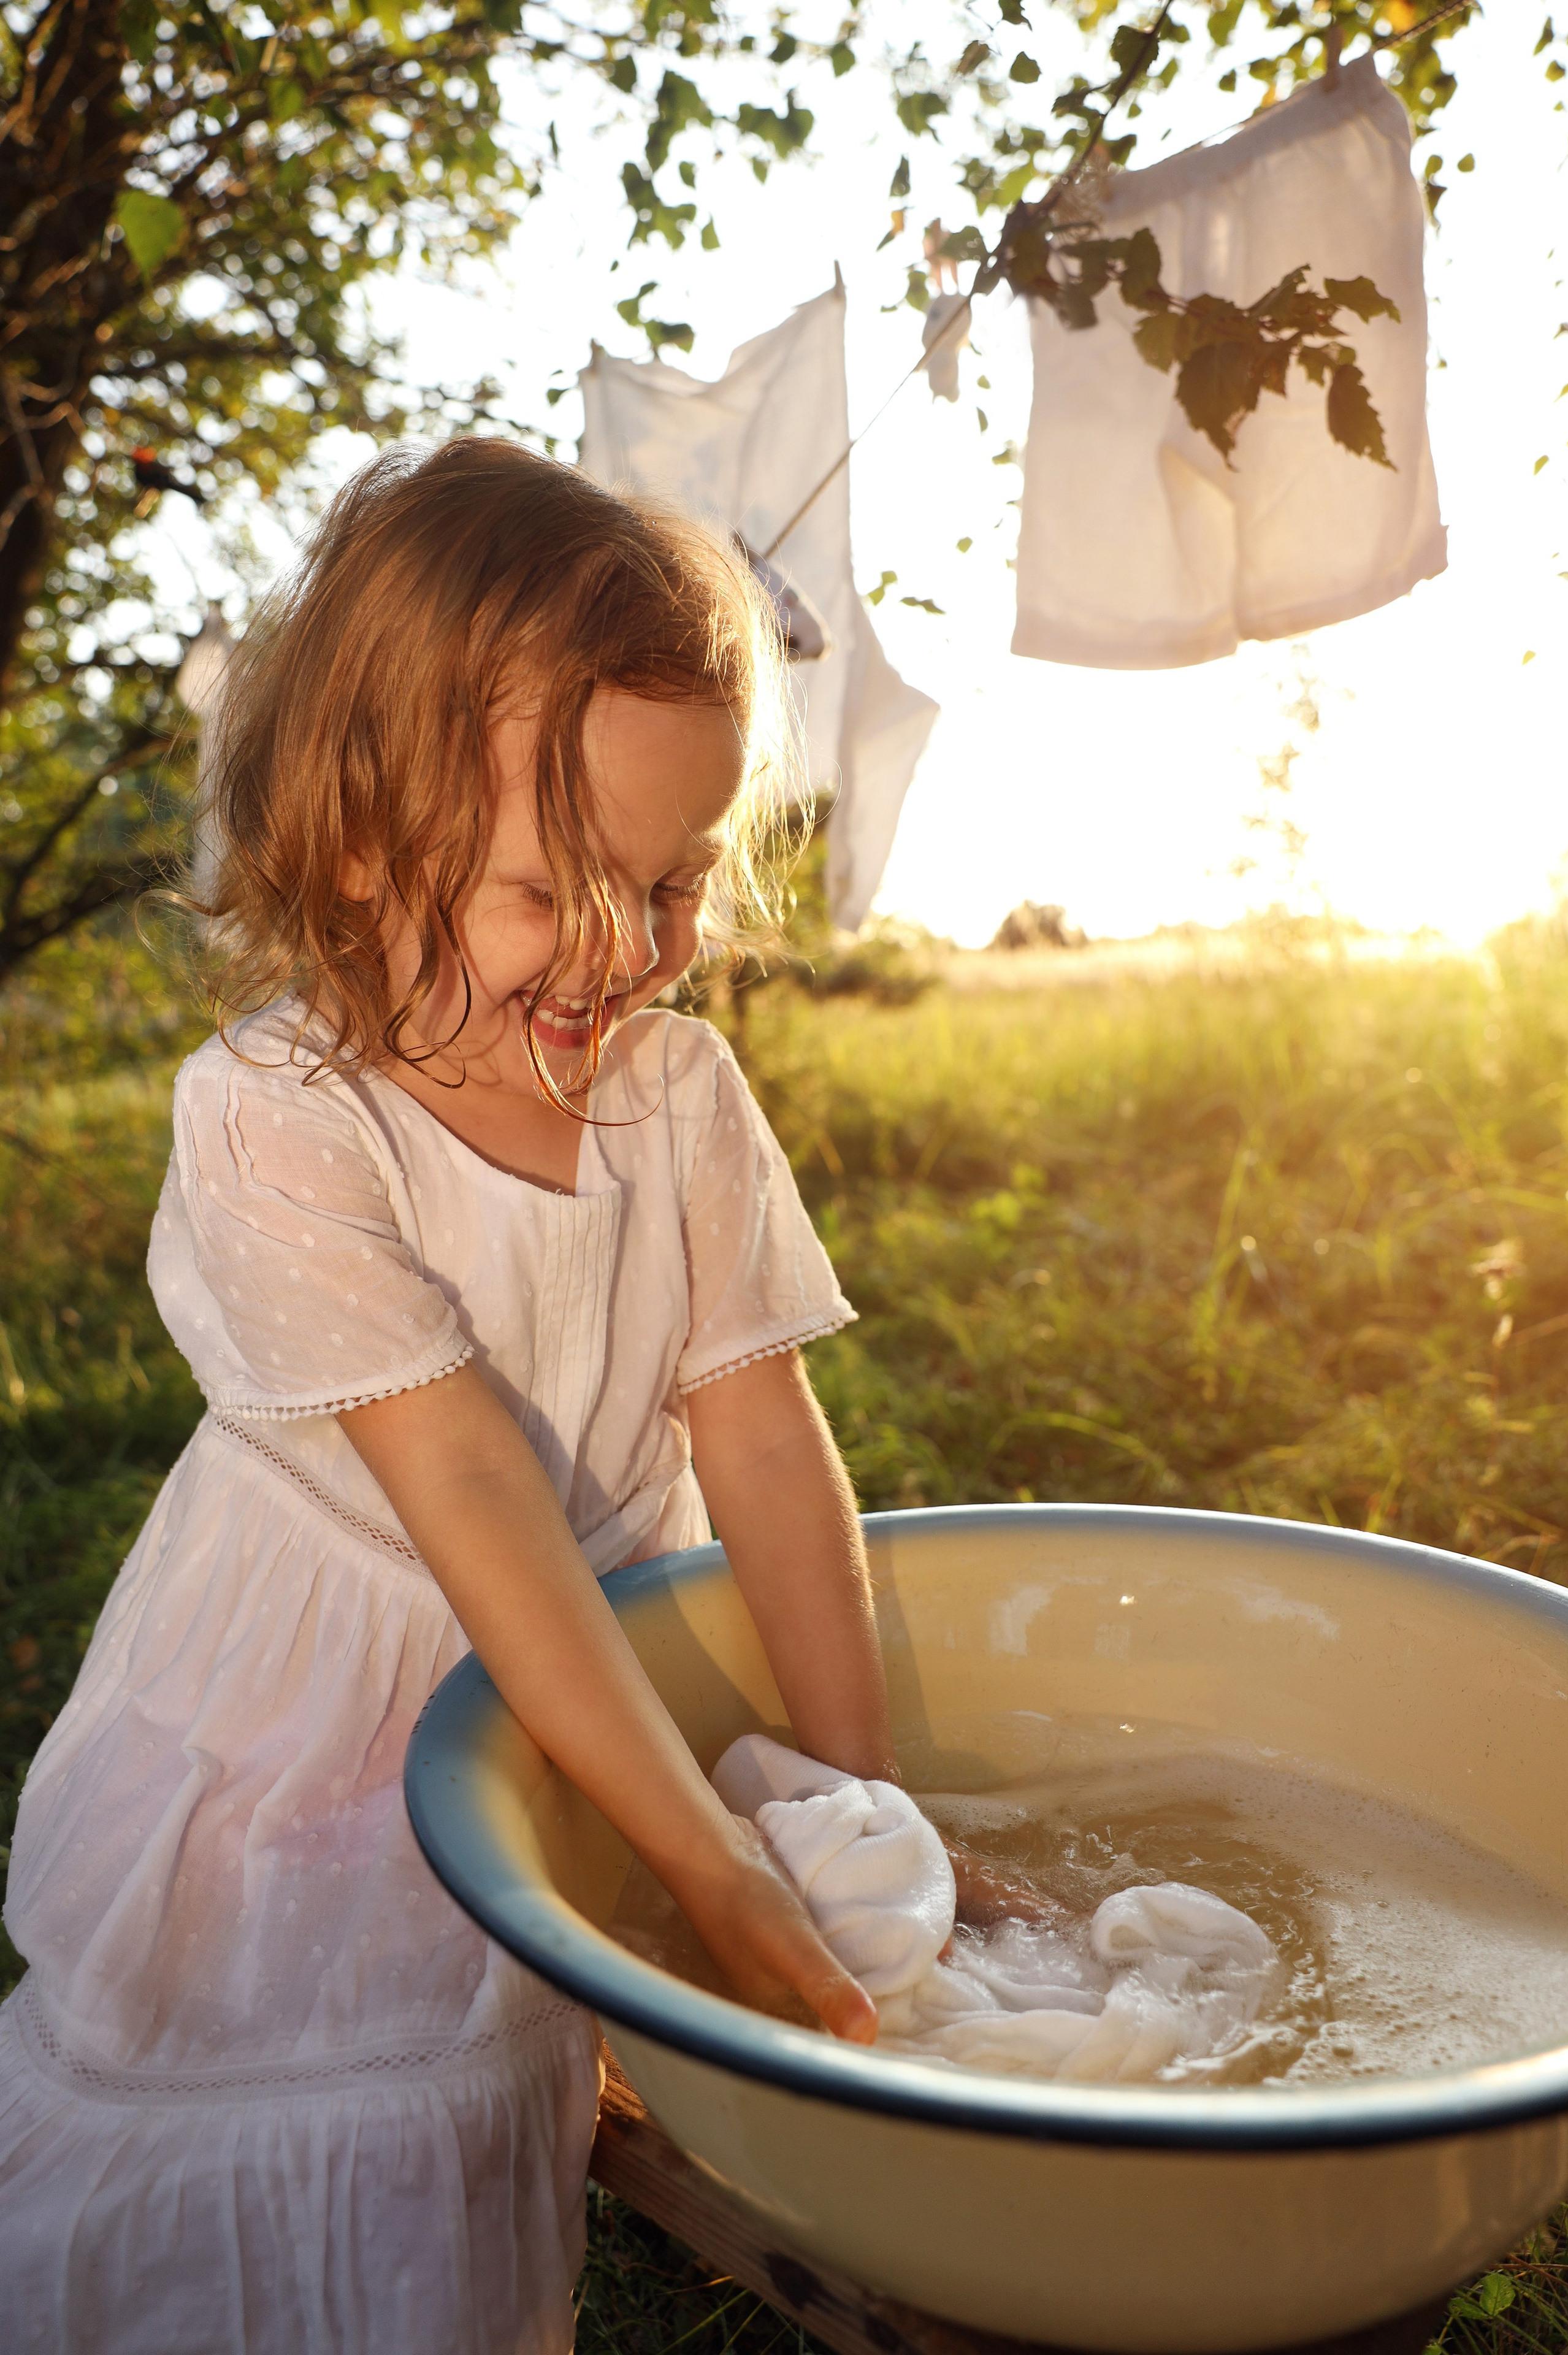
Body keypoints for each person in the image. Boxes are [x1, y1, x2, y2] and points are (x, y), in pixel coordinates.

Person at [0, 438, 897, 2355]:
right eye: (548, 887)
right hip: (312, 1754)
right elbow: (475, 1496)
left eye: (668, 884)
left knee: (476, 2154)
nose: (622, 948)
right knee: (323, 2137)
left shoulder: (676, 1105)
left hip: (573, 1713)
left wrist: (855, 1803)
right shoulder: (279, 1123)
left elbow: (764, 1443)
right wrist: (713, 1866)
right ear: (350, 837)